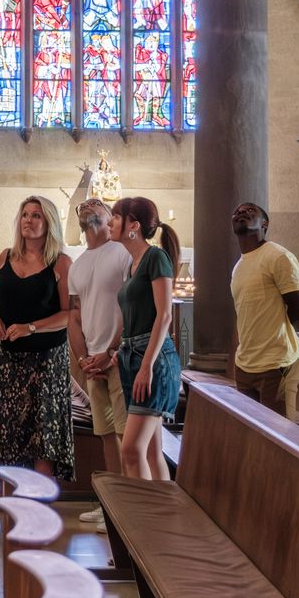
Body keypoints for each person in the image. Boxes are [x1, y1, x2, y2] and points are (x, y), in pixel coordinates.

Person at [0, 196, 74, 509]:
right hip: (10, 358)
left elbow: (67, 314)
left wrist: (31, 327)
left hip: (47, 359)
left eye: (36, 216)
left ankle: (39, 501)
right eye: (24, 214)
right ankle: (6, 497)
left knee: (42, 430)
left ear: (48, 223)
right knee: (6, 425)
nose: (29, 220)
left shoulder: (61, 262)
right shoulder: (6, 256)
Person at [108, 196, 182, 480]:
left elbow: (164, 316)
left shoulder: (156, 258)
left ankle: (143, 521)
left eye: (116, 217)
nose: (111, 222)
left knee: (131, 450)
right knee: (150, 452)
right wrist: (120, 348)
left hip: (153, 359)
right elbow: (134, 315)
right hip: (133, 355)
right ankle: (162, 517)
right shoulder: (133, 263)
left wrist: (147, 366)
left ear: (133, 226)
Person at [67, 199, 131, 487]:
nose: (87, 206)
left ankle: (133, 503)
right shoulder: (77, 265)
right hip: (93, 363)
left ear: (111, 218)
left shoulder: (122, 253)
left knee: (126, 434)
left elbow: (133, 308)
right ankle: (114, 501)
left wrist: (111, 351)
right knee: (105, 434)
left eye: (96, 205)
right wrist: (83, 360)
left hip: (120, 359)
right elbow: (75, 317)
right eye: (83, 206)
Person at [230, 202, 299, 417]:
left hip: (276, 364)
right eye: (237, 212)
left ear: (264, 224)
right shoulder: (240, 265)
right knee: (251, 438)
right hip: (245, 364)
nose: (241, 213)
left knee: (280, 439)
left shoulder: (278, 256)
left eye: (249, 211)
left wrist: (275, 338)